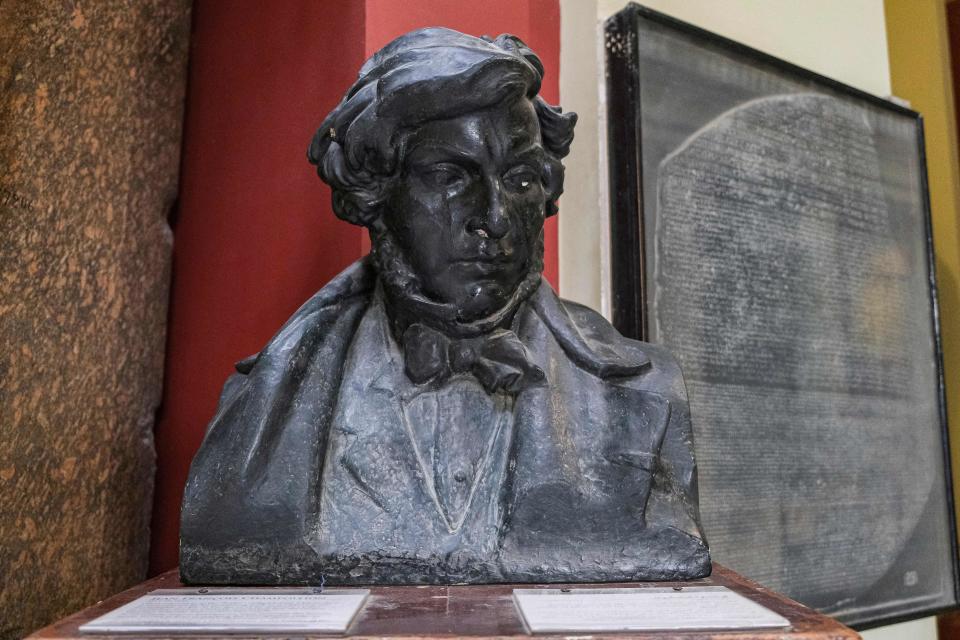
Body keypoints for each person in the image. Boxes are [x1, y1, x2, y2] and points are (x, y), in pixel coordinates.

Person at [180, 27, 710, 585]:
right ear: (377, 193)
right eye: (450, 176)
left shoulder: (645, 394)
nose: (497, 218)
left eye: (520, 178)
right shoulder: (263, 408)